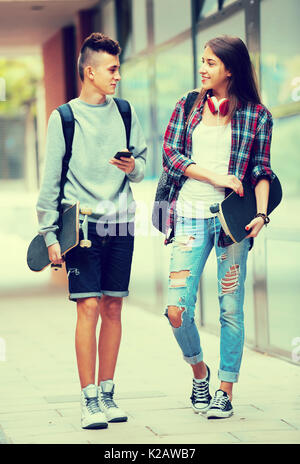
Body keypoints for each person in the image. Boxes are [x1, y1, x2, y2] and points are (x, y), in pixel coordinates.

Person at [36, 33, 147, 429]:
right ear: (91, 71)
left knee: (114, 306)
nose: (117, 76)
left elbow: (144, 165)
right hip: (81, 226)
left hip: (120, 222)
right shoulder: (63, 118)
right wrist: (50, 236)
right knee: (89, 306)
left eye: (118, 68)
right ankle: (88, 401)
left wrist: (132, 167)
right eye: (112, 69)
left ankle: (107, 393)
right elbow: (50, 183)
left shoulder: (127, 112)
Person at [162, 35, 275, 419]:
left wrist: (260, 214)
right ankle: (199, 371)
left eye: (210, 62)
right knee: (177, 309)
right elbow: (172, 155)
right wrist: (217, 177)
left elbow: (262, 170)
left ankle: (224, 389)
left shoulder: (257, 116)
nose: (202, 68)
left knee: (230, 309)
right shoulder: (187, 104)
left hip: (232, 223)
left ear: (230, 68)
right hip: (190, 215)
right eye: (202, 61)